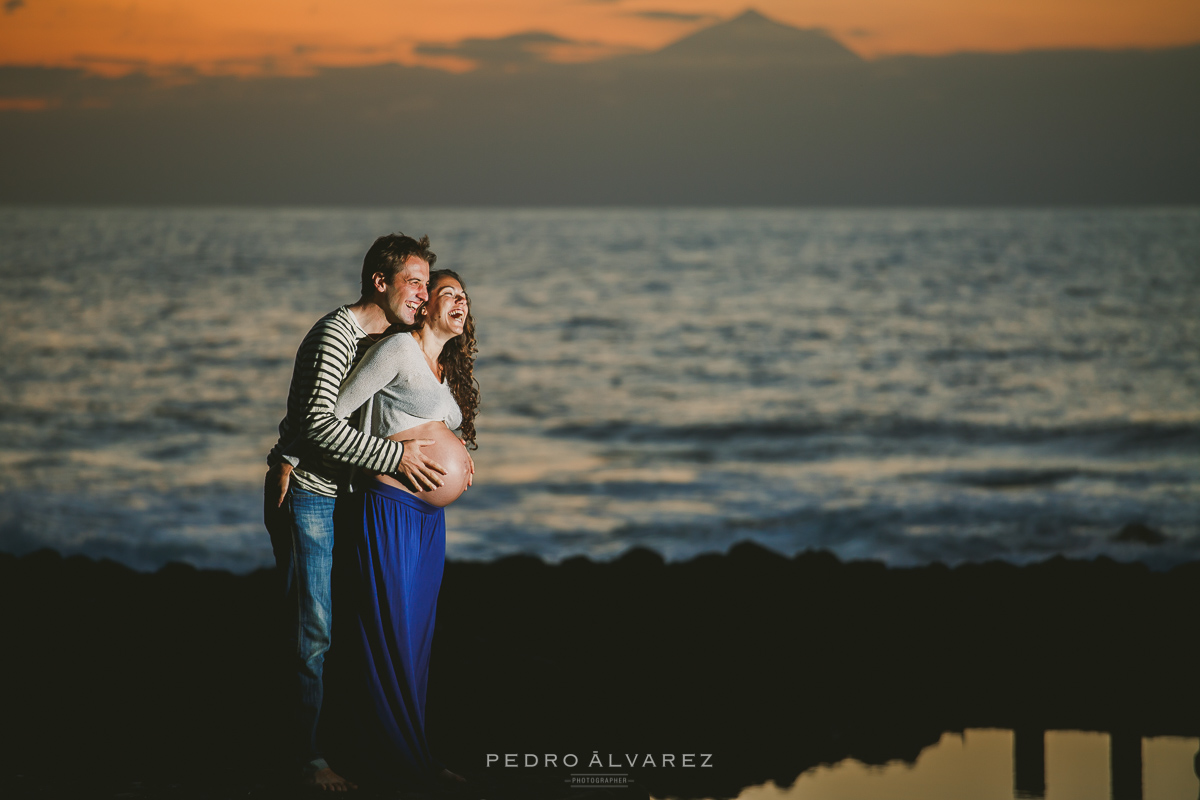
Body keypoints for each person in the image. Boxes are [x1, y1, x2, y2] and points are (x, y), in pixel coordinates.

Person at [263, 233, 450, 793]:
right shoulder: (334, 335)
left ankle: (352, 745)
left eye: (425, 284)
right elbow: (321, 425)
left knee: (348, 627)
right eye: (413, 282)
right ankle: (306, 759)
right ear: (379, 281)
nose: (422, 294)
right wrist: (397, 456)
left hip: (347, 500)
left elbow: (380, 406)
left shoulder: (387, 338)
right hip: (311, 498)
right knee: (311, 630)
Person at [329, 269, 479, 789]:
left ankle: (414, 753)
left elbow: (428, 426)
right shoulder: (397, 349)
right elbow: (336, 418)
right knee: (386, 633)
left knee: (415, 641)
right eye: (447, 294)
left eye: (464, 296)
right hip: (390, 508)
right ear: (424, 305)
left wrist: (457, 459)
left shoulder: (440, 365)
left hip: (428, 520)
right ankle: (393, 765)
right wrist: (386, 464)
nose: (460, 302)